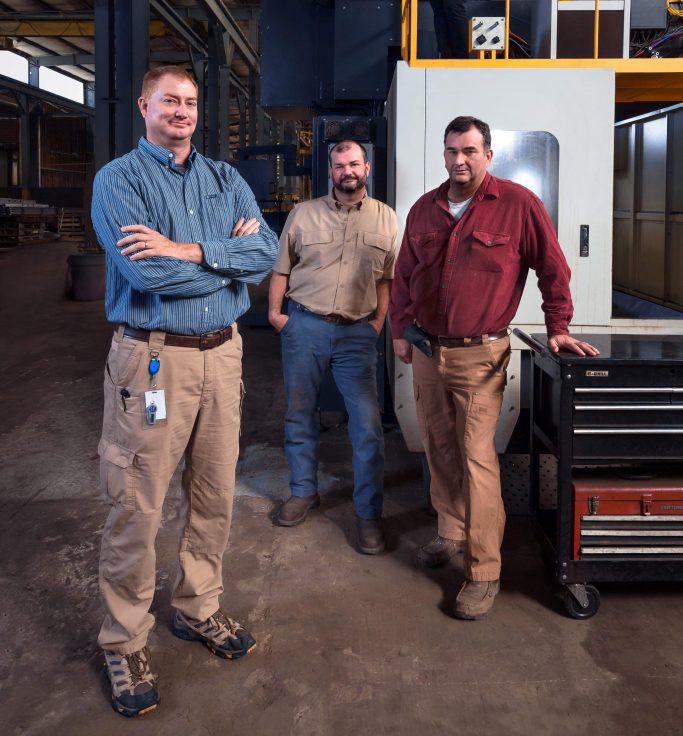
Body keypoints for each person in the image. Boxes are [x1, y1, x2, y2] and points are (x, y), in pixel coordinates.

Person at [91, 65, 278, 717]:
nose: (181, 110)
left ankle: (196, 607)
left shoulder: (226, 180)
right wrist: (227, 266)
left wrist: (191, 251)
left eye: (190, 102)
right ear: (144, 104)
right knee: (137, 501)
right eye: (169, 100)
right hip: (153, 364)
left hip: (222, 359)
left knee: (214, 489)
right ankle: (123, 639)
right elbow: (149, 277)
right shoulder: (118, 180)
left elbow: (268, 255)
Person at [389, 115, 599, 620]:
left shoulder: (517, 205)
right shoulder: (424, 209)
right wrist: (399, 328)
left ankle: (483, 571)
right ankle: (450, 530)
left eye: (469, 151)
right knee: (438, 445)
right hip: (424, 348)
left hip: (480, 354)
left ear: (488, 154)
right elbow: (403, 275)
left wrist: (558, 325)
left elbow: (553, 266)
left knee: (476, 457)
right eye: (451, 151)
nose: (459, 160)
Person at [268, 140, 397, 554]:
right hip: (304, 325)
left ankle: (368, 514)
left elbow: (387, 281)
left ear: (367, 168)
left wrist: (377, 323)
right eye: (340, 164)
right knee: (299, 413)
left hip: (357, 332)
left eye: (354, 163)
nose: (347, 171)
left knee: (367, 425)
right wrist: (277, 316)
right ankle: (304, 491)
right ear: (330, 170)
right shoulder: (303, 214)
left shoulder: (387, 219)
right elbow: (281, 268)